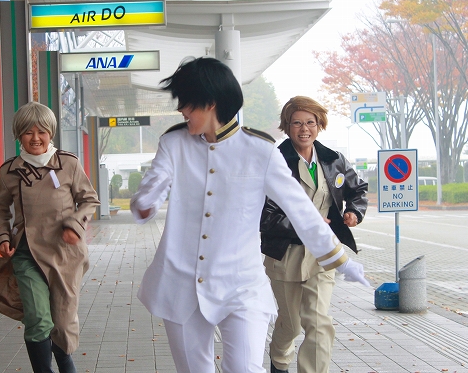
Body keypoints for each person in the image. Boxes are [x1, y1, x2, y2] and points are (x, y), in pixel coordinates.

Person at [129, 57, 370, 373]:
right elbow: (145, 201)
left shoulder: (260, 150)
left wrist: (340, 261)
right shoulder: (174, 143)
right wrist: (146, 200)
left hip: (241, 284)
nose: (182, 111)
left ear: (211, 102)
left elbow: (301, 210)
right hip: (180, 283)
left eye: (187, 102)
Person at [261, 96, 368, 373]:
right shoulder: (275, 161)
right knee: (291, 323)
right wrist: (303, 223)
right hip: (286, 252)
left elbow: (358, 189)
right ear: (287, 126)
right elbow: (265, 216)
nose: (304, 128)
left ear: (319, 125)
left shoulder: (333, 160)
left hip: (324, 252)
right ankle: (279, 361)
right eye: (297, 123)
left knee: (319, 321)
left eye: (310, 122)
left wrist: (354, 212)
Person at [0, 101, 100, 373]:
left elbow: (89, 200)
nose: (36, 138)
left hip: (65, 254)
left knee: (62, 325)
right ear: (19, 135)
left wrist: (75, 225)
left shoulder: (68, 164)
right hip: (27, 254)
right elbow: (0, 208)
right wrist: (3, 236)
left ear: (51, 133)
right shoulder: (9, 171)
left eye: (42, 132)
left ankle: (64, 360)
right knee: (38, 319)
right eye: (28, 132)